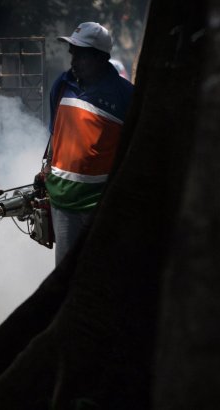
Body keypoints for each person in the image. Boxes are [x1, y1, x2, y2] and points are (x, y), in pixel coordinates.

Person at [43, 22, 134, 264]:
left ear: (101, 58)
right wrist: (46, 171)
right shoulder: (61, 86)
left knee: (99, 270)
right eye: (73, 54)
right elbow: (55, 135)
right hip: (62, 202)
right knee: (64, 272)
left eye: (81, 55)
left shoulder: (126, 95)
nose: (74, 62)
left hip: (100, 205)